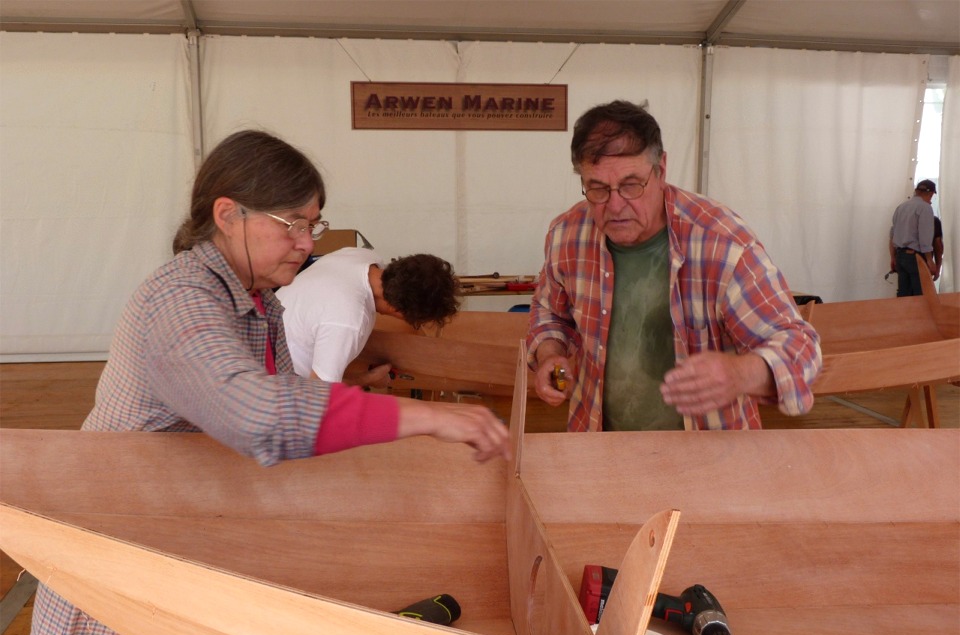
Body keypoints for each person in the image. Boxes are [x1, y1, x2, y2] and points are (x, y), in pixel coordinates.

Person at [24, 129, 510, 635]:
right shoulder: (180, 298)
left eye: (314, 224)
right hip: (125, 576)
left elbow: (284, 408)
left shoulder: (257, 302)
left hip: (194, 563)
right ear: (227, 215)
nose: (307, 243)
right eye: (291, 224)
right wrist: (426, 416)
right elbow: (257, 415)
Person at [526, 100, 822, 432]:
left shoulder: (722, 243)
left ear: (662, 170)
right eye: (597, 188)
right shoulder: (567, 234)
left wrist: (740, 374)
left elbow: (800, 348)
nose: (616, 206)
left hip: (710, 458)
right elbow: (549, 311)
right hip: (596, 446)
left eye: (631, 185)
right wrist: (550, 354)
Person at [276, 248, 459, 385]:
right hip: (274, 383)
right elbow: (317, 396)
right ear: (399, 310)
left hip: (265, 340)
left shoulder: (360, 255)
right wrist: (368, 379)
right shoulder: (347, 320)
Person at [888, 179, 937, 296]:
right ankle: (919, 315)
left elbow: (892, 234)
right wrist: (930, 260)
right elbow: (925, 237)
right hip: (915, 257)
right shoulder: (925, 208)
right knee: (920, 294)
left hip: (900, 256)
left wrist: (893, 257)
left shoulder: (901, 207)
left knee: (903, 293)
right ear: (931, 194)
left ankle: (902, 314)